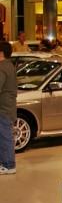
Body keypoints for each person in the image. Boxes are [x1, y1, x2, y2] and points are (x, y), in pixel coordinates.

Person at [0, 40, 17, 174]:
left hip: (3, 108)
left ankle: (9, 165)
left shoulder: (2, 67)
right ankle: (5, 163)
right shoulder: (10, 65)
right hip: (8, 107)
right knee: (4, 136)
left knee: (5, 137)